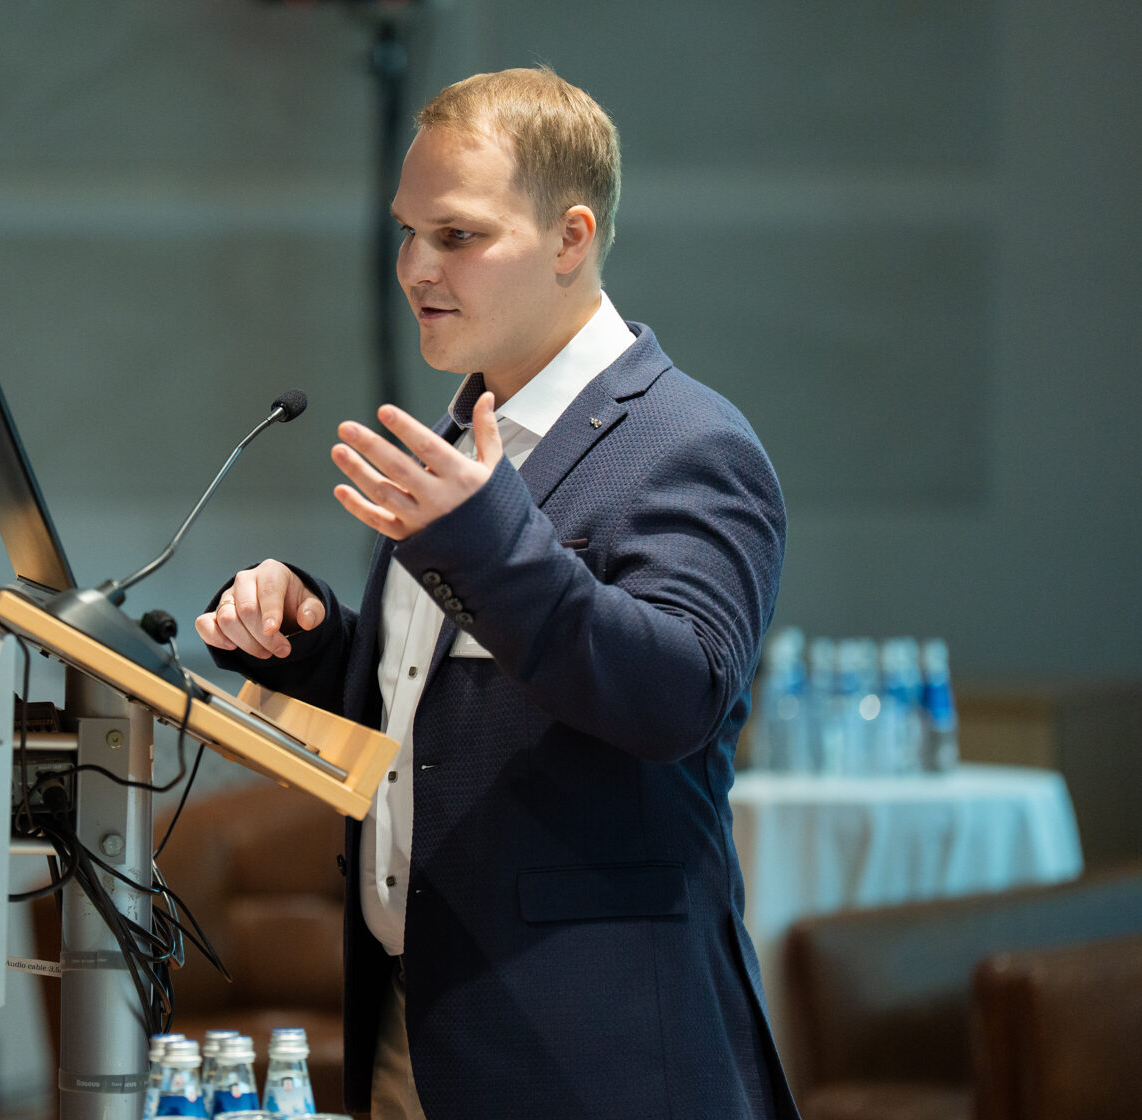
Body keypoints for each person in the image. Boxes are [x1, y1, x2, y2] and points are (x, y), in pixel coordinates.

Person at [195, 67, 798, 1119]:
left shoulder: (687, 442)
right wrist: (310, 637)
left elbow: (677, 697)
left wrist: (484, 544)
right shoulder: (466, 434)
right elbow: (434, 705)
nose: (413, 267)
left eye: (458, 235)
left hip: (588, 1054)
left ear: (570, 238)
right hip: (416, 1025)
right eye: (406, 231)